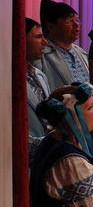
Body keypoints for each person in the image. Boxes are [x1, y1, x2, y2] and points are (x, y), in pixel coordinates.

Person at [38, 0, 89, 90]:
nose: (76, 24)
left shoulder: (82, 53)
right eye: (69, 21)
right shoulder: (41, 55)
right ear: (51, 27)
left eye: (77, 20)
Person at [26, 18, 51, 159]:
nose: (45, 42)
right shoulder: (7, 81)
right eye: (38, 37)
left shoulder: (40, 75)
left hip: (46, 160)